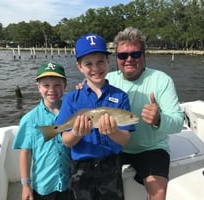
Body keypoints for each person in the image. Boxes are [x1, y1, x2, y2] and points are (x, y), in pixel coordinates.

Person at [106, 27, 184, 200]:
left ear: (144, 55)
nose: (129, 60)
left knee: (158, 193)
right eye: (122, 55)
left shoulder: (161, 80)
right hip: (115, 146)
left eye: (135, 54)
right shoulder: (107, 80)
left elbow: (178, 122)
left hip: (151, 148)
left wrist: (159, 119)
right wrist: (82, 88)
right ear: (116, 58)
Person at [56, 33, 135, 200]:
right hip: (80, 167)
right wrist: (76, 132)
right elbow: (66, 140)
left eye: (100, 61)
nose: (95, 68)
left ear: (108, 62)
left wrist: (113, 132)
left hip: (111, 164)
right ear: (79, 67)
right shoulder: (72, 98)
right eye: (88, 64)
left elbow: (124, 139)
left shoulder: (121, 97)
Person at [12, 62, 70, 200]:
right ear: (38, 87)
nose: (52, 89)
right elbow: (26, 152)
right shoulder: (29, 119)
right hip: (44, 184)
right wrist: (26, 185)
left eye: (57, 84)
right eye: (46, 85)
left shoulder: (72, 112)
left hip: (70, 181)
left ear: (65, 86)